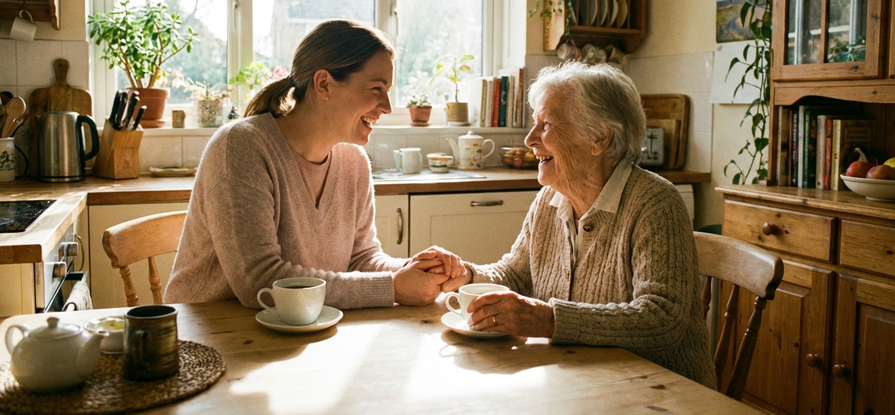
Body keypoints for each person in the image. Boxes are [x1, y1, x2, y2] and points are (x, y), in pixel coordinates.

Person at [441, 62, 716, 389]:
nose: (530, 139)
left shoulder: (655, 203)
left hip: (662, 394)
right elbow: (515, 273)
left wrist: (548, 320)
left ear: (598, 138)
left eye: (546, 125)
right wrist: (463, 274)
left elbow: (660, 321)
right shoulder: (549, 200)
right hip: (581, 383)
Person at [165, 19, 463, 310]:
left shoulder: (355, 162)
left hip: (300, 331)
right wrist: (393, 287)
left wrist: (413, 268)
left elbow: (361, 258)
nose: (386, 107)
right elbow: (260, 281)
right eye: (376, 89)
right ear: (324, 84)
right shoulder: (241, 147)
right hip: (208, 335)